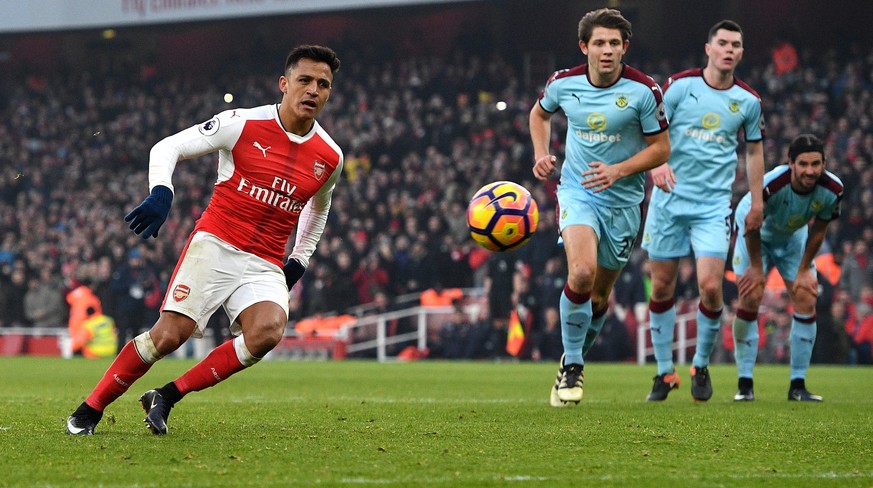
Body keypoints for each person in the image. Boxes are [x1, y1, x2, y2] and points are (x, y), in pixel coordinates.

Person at [66, 45, 343, 435]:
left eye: (323, 84)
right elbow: (168, 147)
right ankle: (89, 410)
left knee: (267, 332)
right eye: (305, 81)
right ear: (284, 84)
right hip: (216, 244)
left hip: (264, 261)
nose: (314, 90)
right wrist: (162, 191)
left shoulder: (330, 156)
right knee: (168, 337)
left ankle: (166, 396)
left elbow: (318, 209)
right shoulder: (241, 123)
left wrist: (298, 259)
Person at [529, 7, 670, 406]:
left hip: (624, 201)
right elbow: (539, 114)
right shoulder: (563, 83)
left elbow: (662, 149)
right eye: (599, 43)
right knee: (582, 272)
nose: (606, 50)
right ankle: (573, 366)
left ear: (625, 47)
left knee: (599, 297)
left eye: (614, 43)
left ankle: (571, 358)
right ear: (584, 46)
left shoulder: (645, 91)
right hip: (577, 191)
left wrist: (618, 170)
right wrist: (541, 153)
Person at [641, 20, 765, 402]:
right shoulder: (680, 86)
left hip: (712, 206)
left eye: (736, 45)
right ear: (708, 48)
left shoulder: (748, 101)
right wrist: (656, 164)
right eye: (723, 43)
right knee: (662, 286)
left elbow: (755, 151)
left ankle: (700, 363)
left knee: (711, 287)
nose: (729, 50)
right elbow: (649, 125)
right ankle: (663, 372)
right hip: (668, 199)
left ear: (742, 53)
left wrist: (758, 200)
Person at [730, 134, 842, 402]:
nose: (810, 170)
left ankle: (798, 385)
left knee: (805, 296)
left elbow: (819, 229)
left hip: (792, 237)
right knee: (751, 295)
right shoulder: (772, 185)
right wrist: (756, 268)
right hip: (754, 233)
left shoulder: (833, 189)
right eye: (803, 164)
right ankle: (745, 384)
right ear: (791, 164)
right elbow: (752, 224)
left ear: (824, 163)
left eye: (816, 164)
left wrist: (805, 269)